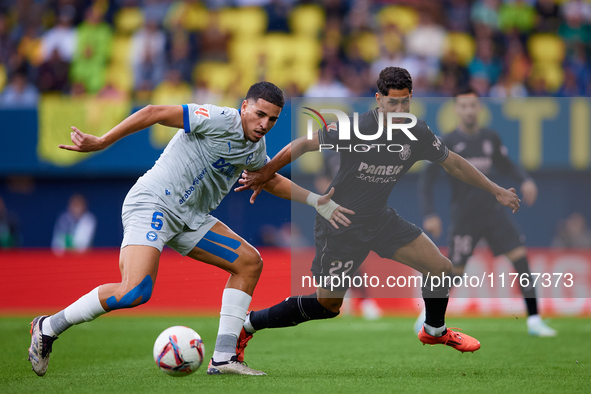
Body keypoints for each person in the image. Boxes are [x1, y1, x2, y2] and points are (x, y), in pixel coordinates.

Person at [27, 82, 354, 377]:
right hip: (154, 203)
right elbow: (154, 112)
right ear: (244, 106)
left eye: (272, 120)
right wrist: (102, 141)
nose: (264, 124)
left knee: (249, 262)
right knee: (134, 292)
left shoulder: (255, 148)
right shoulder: (216, 118)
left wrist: (317, 201)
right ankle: (49, 326)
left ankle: (224, 358)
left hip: (191, 218)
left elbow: (267, 178)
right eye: (259, 114)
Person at [234, 67, 521, 364]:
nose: (399, 110)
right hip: (340, 222)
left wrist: (495, 189)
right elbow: (304, 144)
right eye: (393, 102)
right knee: (327, 305)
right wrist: (266, 172)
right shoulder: (356, 127)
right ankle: (248, 324)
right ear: (378, 100)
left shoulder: (417, 132)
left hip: (380, 220)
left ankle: (434, 329)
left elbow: (454, 164)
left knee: (440, 268)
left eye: (405, 102)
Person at [416, 88, 556, 337]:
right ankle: (428, 312)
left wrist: (525, 179)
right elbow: (427, 180)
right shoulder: (446, 141)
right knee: (454, 273)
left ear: (479, 109)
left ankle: (534, 320)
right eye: (464, 106)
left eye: (473, 106)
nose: (469, 111)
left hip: (493, 213)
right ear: (456, 110)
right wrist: (430, 213)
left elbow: (506, 163)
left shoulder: (490, 138)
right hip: (465, 217)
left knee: (521, 260)